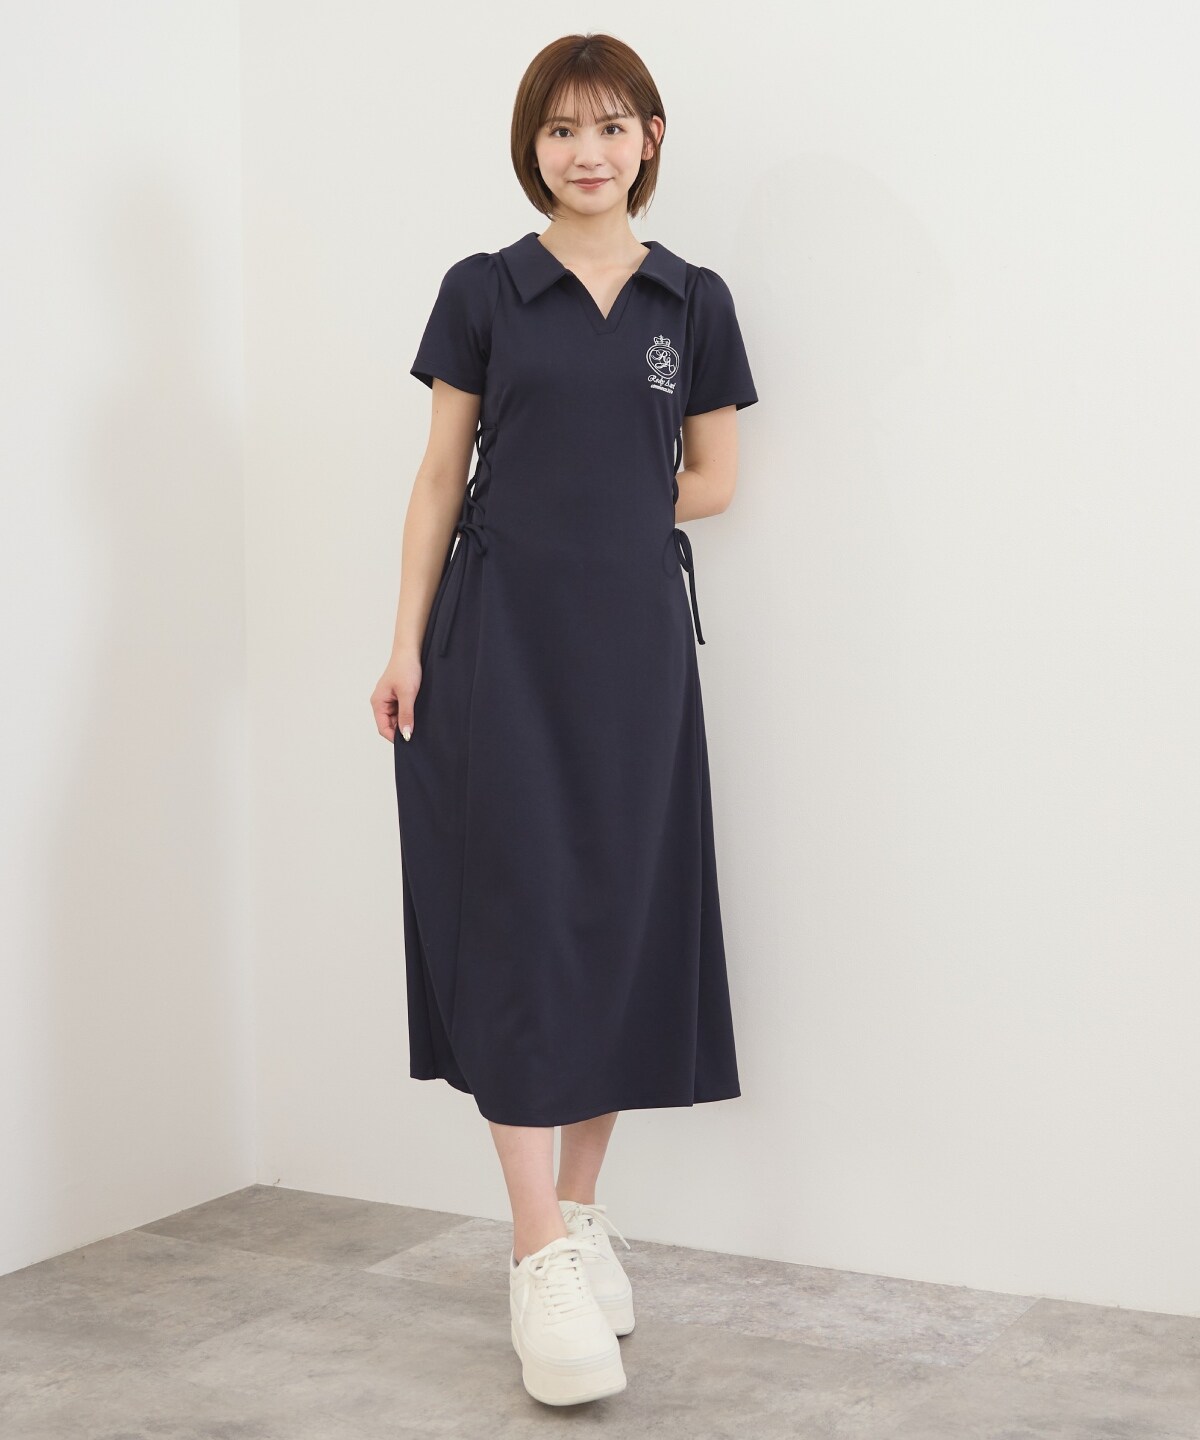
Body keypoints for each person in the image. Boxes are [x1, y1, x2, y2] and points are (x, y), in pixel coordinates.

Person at [370, 32, 759, 1406]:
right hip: (498, 648)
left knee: (612, 920)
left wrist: (603, 514)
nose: (585, 152)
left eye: (609, 126)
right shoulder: (485, 289)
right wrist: (405, 642)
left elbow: (714, 476)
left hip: (636, 656)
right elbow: (439, 476)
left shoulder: (691, 299)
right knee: (521, 923)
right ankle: (534, 1250)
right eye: (559, 129)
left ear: (649, 138)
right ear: (530, 145)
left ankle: (580, 1217)